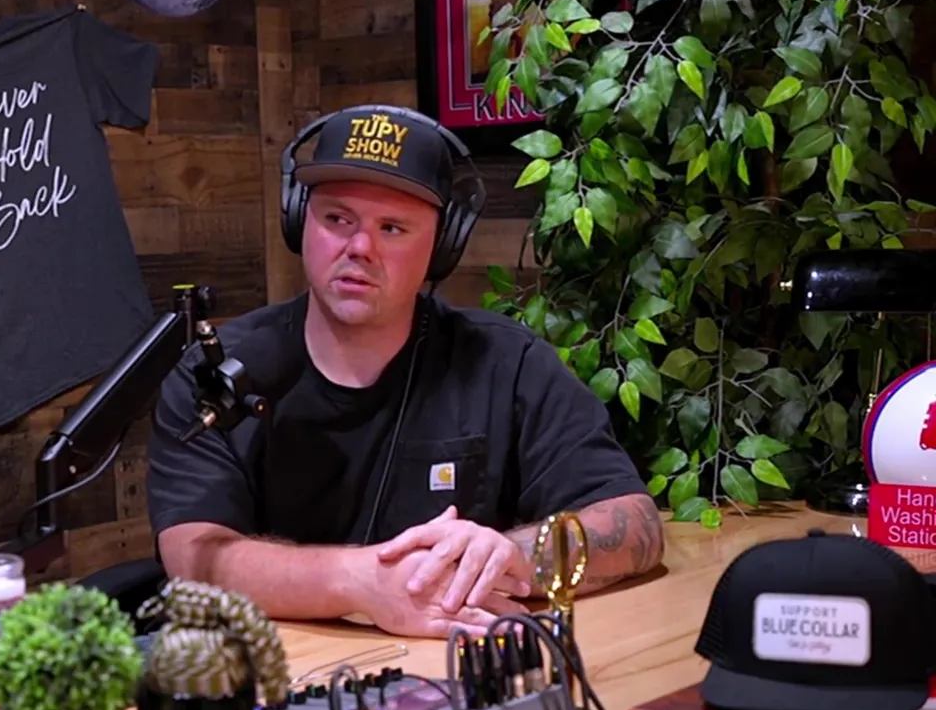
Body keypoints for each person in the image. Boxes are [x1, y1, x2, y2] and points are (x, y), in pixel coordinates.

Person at [144, 104, 664, 639]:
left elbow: (637, 524)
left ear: (441, 247)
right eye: (337, 219)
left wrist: (514, 556)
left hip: (449, 665)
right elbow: (191, 555)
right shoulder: (218, 375)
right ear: (299, 220)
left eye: (391, 228)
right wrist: (362, 581)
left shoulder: (508, 364)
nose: (359, 248)